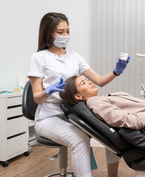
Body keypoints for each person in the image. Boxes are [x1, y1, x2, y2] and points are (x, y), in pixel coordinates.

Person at [28, 12, 129, 177]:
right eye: (60, 32)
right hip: (49, 117)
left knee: (109, 130)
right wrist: (48, 91)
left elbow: (99, 81)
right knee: (79, 138)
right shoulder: (39, 58)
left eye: (67, 31)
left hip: (75, 112)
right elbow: (36, 97)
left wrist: (116, 72)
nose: (65, 35)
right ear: (49, 33)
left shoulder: (75, 57)